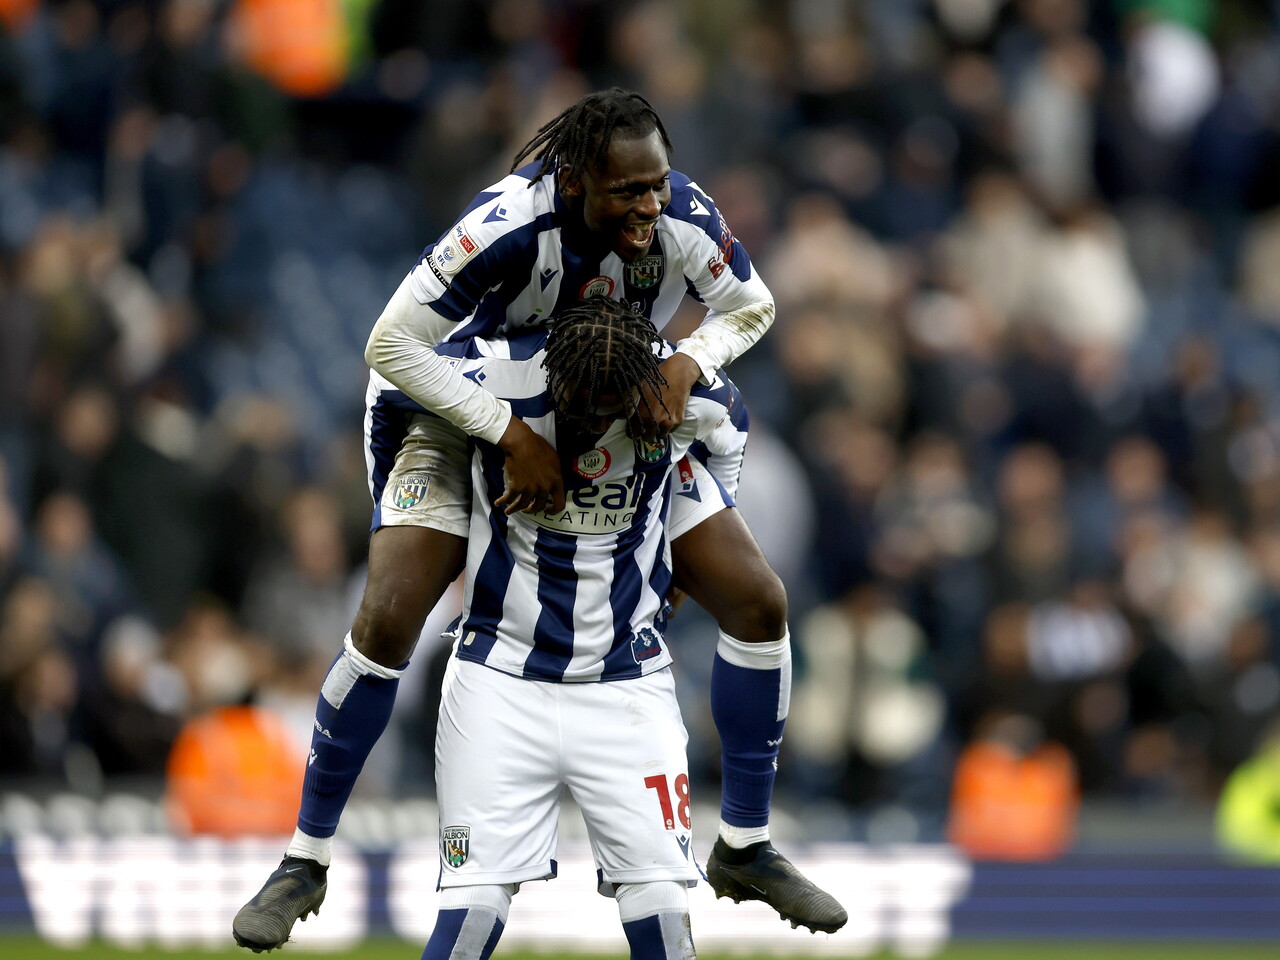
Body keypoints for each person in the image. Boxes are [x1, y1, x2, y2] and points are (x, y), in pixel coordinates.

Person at [233, 89, 845, 952]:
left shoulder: (682, 222)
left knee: (757, 598)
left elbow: (752, 314)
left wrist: (686, 371)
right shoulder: (504, 229)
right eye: (626, 192)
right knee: (390, 615)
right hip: (460, 401)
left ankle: (745, 844)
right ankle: (306, 856)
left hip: (624, 392)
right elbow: (392, 348)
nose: (648, 209)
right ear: (573, 180)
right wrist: (510, 436)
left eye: (657, 187)